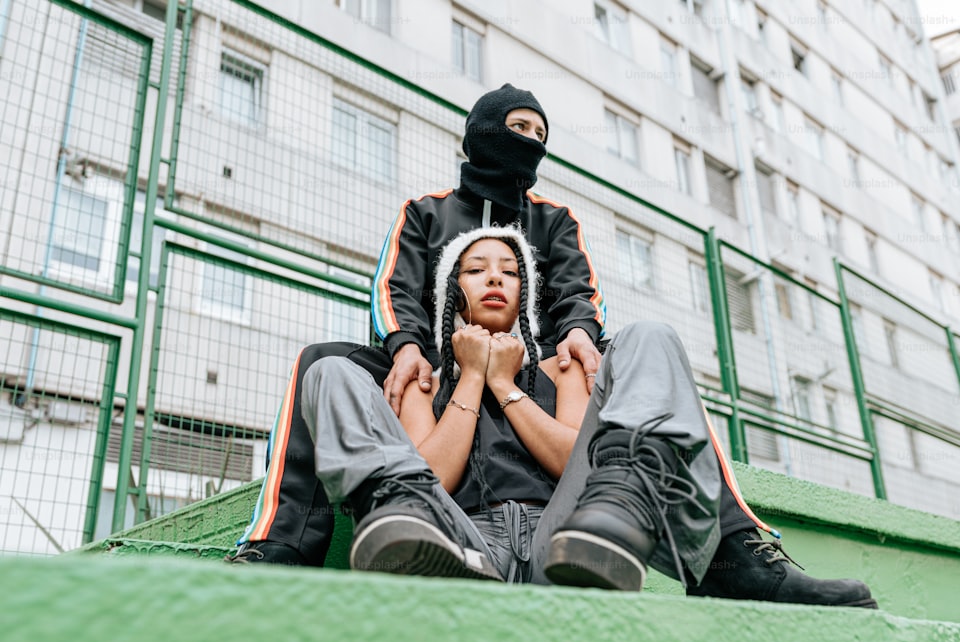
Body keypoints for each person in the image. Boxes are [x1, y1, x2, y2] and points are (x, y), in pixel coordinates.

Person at [255, 224, 877, 608]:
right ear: (453, 293)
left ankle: (641, 530)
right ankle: (425, 566)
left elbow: (568, 454)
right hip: (455, 544)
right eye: (476, 271)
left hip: (572, 542)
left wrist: (507, 384)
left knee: (651, 336)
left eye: (509, 271)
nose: (495, 279)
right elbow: (432, 476)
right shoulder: (424, 376)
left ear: (526, 294)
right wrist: (472, 375)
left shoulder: (562, 368)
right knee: (330, 369)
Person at [228, 83, 606, 567]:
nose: (531, 142)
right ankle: (282, 540)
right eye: (519, 128)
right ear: (484, 132)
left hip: (535, 362)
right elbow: (394, 288)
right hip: (433, 356)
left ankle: (726, 532)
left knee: (628, 354)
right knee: (320, 361)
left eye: (540, 134)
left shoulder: (554, 220)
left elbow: (580, 293)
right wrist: (407, 346)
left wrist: (576, 337)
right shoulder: (426, 212)